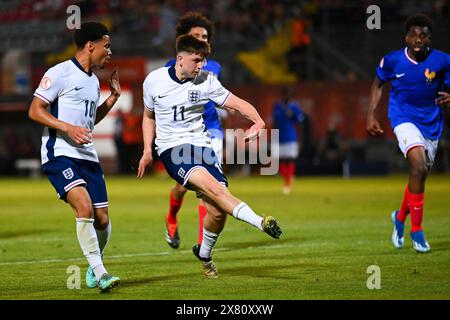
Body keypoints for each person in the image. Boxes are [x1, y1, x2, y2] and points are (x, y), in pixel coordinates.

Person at [138, 35, 282, 278]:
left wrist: (257, 120)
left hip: (202, 147)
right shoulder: (154, 81)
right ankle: (260, 221)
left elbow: (235, 103)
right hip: (173, 149)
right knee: (216, 190)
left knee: (217, 211)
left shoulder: (206, 80)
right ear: (179, 58)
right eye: (196, 60)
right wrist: (147, 150)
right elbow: (148, 116)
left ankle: (204, 255)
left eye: (203, 60)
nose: (201, 65)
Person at [28, 22, 121, 292]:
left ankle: (95, 265)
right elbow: (35, 110)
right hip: (60, 153)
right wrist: (67, 127)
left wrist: (113, 98)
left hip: (87, 157)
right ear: (90, 45)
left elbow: (90, 123)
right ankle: (102, 274)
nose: (110, 52)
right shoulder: (60, 73)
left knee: (102, 218)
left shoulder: (93, 81)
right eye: (107, 45)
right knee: (84, 207)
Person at [366, 14, 450, 253]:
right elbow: (377, 84)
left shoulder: (443, 61)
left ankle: (400, 216)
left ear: (430, 38)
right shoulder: (393, 60)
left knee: (419, 174)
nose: (418, 39)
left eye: (423, 34)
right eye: (413, 34)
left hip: (432, 124)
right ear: (406, 37)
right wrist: (370, 115)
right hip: (402, 118)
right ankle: (417, 230)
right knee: (419, 168)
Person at [162, 12, 225, 250]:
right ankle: (171, 217)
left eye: (205, 36)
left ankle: (202, 243)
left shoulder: (215, 67)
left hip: (212, 131)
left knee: (209, 188)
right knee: (182, 187)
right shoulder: (172, 67)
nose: (202, 39)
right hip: (184, 133)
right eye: (196, 35)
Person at [272, 85, 304, 194]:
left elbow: (299, 122)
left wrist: (299, 138)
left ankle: (288, 183)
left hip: (290, 136)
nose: (287, 95)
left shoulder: (295, 106)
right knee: (279, 160)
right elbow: (274, 121)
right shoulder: (277, 106)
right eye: (286, 93)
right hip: (279, 136)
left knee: (290, 160)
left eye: (289, 93)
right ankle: (288, 176)